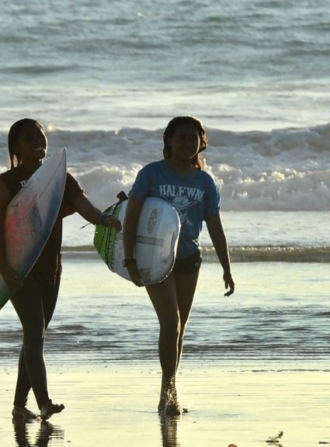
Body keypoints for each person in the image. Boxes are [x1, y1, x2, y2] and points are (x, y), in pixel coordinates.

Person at [0, 118, 122, 422]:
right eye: (29, 137)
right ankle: (44, 403)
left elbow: (85, 207)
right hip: (18, 269)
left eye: (41, 135)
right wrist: (3, 267)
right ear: (16, 147)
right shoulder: (6, 183)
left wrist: (104, 219)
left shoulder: (60, 178)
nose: (38, 140)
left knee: (35, 336)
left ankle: (19, 406)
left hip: (51, 269)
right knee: (34, 332)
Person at [123, 115, 235, 415]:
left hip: (189, 259)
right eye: (181, 137)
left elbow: (215, 227)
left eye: (192, 138)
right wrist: (129, 259)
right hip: (154, 260)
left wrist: (227, 267)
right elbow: (131, 217)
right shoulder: (151, 174)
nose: (187, 143)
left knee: (179, 329)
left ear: (201, 143)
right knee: (170, 323)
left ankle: (169, 389)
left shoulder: (205, 182)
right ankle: (167, 393)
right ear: (168, 141)